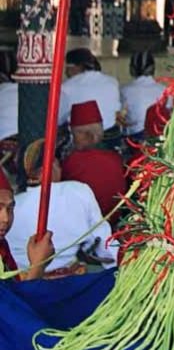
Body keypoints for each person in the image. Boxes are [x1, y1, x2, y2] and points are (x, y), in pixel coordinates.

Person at [8, 139, 114, 273]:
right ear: (44, 170)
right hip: (68, 281)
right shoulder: (77, 190)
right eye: (57, 164)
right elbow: (103, 243)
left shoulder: (10, 205)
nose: (60, 169)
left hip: (21, 282)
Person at [60, 100, 128, 221]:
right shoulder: (116, 159)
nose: (73, 139)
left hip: (85, 226)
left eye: (74, 134)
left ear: (86, 135)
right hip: (115, 223)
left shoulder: (73, 162)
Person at [0, 167, 54, 280]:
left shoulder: (2, 246)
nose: (5, 219)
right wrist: (37, 265)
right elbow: (13, 298)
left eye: (10, 208)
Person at [59, 47, 122, 131]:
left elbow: (58, 119)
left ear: (76, 67)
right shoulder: (112, 82)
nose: (66, 72)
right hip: (112, 136)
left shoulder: (66, 87)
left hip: (86, 139)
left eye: (67, 67)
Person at [121, 51, 162, 138]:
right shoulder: (164, 89)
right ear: (153, 69)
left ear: (131, 69)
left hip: (135, 138)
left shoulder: (125, 90)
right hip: (159, 136)